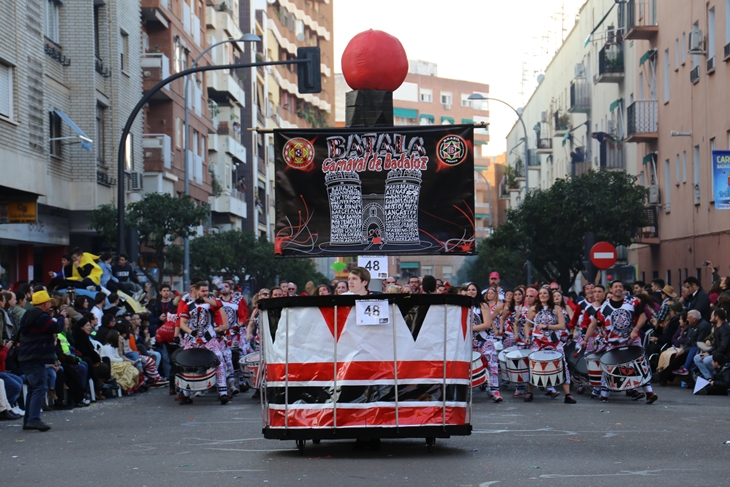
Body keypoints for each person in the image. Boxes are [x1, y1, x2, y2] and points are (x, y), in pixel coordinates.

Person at [584, 280, 657, 404]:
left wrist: (635, 329)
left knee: (640, 365)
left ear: (623, 289)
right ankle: (604, 394)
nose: (618, 288)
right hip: (613, 343)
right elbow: (593, 325)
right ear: (611, 290)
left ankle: (649, 393)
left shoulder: (632, 302)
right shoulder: (604, 307)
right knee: (608, 367)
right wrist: (585, 340)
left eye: (620, 286)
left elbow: (643, 316)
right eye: (615, 286)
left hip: (631, 341)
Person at [17, 290, 67, 431]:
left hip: (27, 356)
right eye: (49, 302)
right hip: (35, 356)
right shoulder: (40, 316)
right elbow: (56, 327)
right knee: (40, 387)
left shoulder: (29, 314)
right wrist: (61, 317)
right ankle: (33, 419)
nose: (51, 304)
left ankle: (29, 419)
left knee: (34, 388)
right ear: (45, 303)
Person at [177, 281, 229, 405]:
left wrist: (206, 298)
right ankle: (186, 394)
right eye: (203, 291)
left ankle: (223, 393)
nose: (205, 293)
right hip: (192, 340)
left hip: (209, 339)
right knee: (184, 363)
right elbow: (182, 323)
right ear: (196, 291)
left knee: (219, 359)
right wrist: (191, 331)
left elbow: (218, 304)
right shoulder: (188, 305)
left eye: (206, 291)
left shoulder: (211, 304)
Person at [524, 286, 576, 404]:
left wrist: (547, 326)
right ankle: (529, 392)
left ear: (549, 296)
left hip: (554, 341)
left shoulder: (557, 308)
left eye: (545, 293)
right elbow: (527, 325)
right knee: (533, 365)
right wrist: (528, 337)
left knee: (562, 365)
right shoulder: (533, 309)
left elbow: (562, 326)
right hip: (538, 341)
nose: (543, 295)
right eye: (541, 293)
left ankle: (568, 394)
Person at [466, 282, 502, 402]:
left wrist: (470, 328)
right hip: (467, 342)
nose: (471, 292)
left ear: (477, 291)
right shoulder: (462, 306)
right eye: (469, 290)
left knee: (492, 363)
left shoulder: (483, 305)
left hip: (484, 340)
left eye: (473, 289)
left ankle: (495, 390)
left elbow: (487, 324)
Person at [657, 309, 712, 384]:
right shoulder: (692, 326)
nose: (687, 319)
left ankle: (664, 376)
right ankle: (666, 376)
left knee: (680, 356)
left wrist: (684, 350)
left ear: (694, 319)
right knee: (675, 356)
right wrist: (683, 350)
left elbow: (698, 343)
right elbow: (687, 341)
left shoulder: (703, 326)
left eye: (688, 318)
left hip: (696, 350)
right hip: (688, 348)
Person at [219, 280, 249, 395]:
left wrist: (238, 325)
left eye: (226, 286)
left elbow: (243, 316)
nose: (223, 288)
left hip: (236, 334)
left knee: (242, 354)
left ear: (231, 289)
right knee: (226, 357)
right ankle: (228, 383)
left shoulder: (237, 301)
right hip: (222, 335)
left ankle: (241, 381)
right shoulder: (216, 302)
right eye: (222, 286)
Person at [693, 308, 730, 380]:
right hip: (718, 352)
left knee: (706, 360)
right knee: (697, 358)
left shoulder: (726, 329)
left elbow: (723, 347)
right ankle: (709, 378)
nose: (711, 317)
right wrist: (708, 352)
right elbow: (716, 345)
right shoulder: (717, 328)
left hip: (725, 355)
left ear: (717, 317)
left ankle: (715, 377)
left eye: (712, 316)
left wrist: (710, 354)